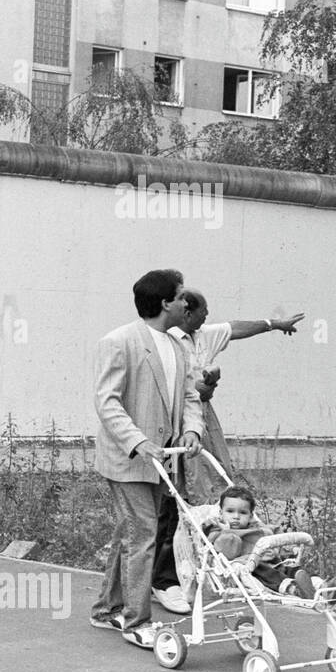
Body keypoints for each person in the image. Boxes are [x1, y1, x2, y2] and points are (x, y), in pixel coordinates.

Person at [90, 269, 203, 648]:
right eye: (181, 295)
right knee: (143, 535)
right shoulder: (119, 342)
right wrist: (137, 442)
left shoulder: (177, 345)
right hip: (129, 459)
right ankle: (137, 622)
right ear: (164, 303)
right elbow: (107, 401)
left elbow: (189, 397)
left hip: (163, 457)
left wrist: (192, 430)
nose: (186, 301)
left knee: (131, 533)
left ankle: (106, 610)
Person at [169, 291, 304, 502]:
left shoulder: (203, 334)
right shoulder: (169, 340)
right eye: (203, 310)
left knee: (217, 469)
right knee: (180, 479)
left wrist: (275, 324)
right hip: (176, 416)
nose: (207, 314)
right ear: (187, 313)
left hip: (203, 413)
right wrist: (195, 388)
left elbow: (235, 328)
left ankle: (215, 515)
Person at [206, 485, 336, 599]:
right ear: (221, 513)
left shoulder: (261, 529)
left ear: (251, 516)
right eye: (230, 511)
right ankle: (294, 589)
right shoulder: (218, 531)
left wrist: (290, 548)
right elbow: (222, 549)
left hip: (276, 562)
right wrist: (224, 531)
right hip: (251, 568)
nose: (236, 517)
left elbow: (276, 538)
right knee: (267, 572)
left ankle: (324, 587)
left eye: (242, 513)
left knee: (294, 568)